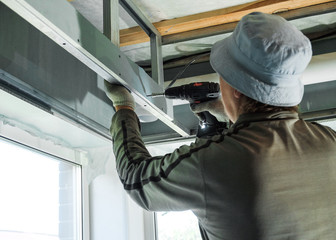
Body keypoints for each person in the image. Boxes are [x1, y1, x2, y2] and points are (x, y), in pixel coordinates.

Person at [104, 12, 336, 240]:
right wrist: (233, 114)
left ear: (235, 89)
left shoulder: (211, 161)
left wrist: (124, 108)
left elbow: (136, 180)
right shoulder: (330, 141)